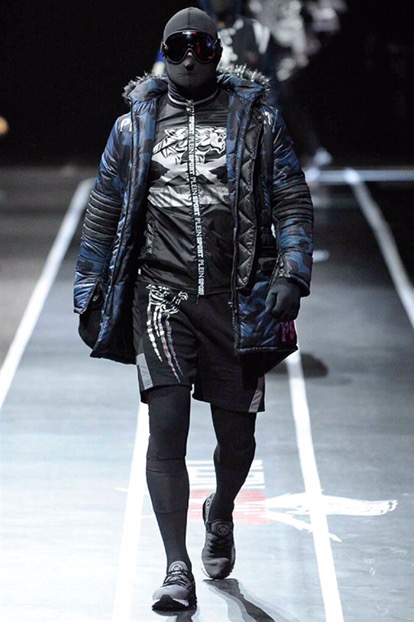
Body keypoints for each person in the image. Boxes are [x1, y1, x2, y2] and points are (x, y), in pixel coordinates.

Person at [74, 7, 313, 612]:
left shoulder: (257, 120)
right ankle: (175, 566)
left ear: (216, 51)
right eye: (177, 47)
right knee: (167, 427)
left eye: (200, 47)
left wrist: (292, 271)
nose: (188, 58)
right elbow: (104, 209)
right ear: (163, 52)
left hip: (239, 300)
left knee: (237, 440)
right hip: (161, 297)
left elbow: (290, 198)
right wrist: (89, 288)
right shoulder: (134, 126)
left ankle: (221, 510)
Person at [152, 0, 280, 107]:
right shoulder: (185, 33)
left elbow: (271, 88)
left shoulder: (258, 32)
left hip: (246, 115)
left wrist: (266, 120)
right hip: (200, 113)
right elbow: (160, 78)